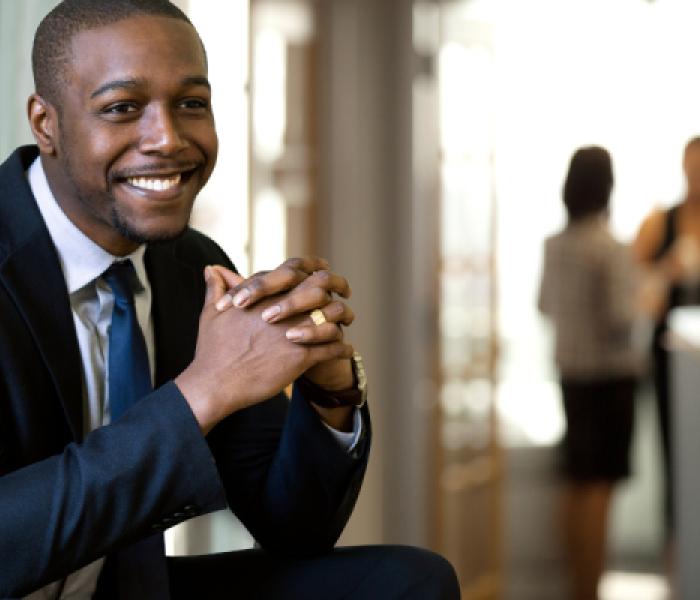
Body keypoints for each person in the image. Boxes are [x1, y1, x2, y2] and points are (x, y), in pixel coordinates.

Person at [0, 1, 460, 598]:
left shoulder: (191, 263)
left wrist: (329, 389)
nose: (167, 138)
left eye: (191, 103)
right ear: (46, 123)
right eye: (122, 108)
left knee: (407, 581)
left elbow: (295, 529)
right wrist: (205, 392)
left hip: (123, 588)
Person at [539, 146, 640, 600]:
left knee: (576, 482)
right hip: (610, 379)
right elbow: (622, 319)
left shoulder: (554, 245)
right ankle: (590, 590)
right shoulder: (610, 248)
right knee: (600, 487)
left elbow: (542, 305)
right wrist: (650, 294)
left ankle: (573, 587)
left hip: (571, 376)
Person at [632, 136, 700, 545]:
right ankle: (679, 545)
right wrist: (669, 270)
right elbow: (635, 292)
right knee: (677, 452)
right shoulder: (660, 221)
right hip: (673, 359)